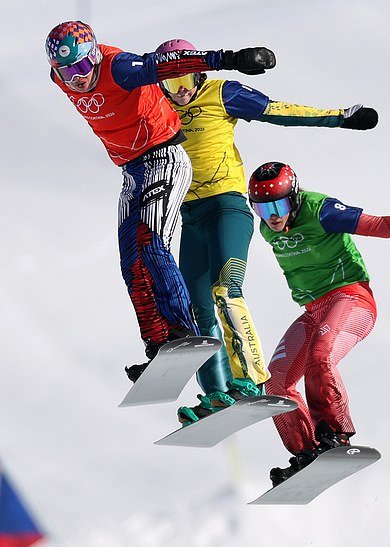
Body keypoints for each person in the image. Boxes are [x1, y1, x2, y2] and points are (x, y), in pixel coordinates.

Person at [153, 39, 379, 424]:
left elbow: (277, 111)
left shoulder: (220, 94)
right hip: (189, 216)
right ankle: (217, 393)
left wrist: (340, 117)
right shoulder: (157, 105)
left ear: (199, 74)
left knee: (226, 289)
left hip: (226, 207)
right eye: (171, 85)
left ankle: (250, 379)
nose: (181, 91)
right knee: (196, 306)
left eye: (187, 80)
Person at [45, 21, 275, 379]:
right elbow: (67, 73)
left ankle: (183, 331)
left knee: (150, 243)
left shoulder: (118, 68)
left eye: (83, 66)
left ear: (94, 56)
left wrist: (231, 58)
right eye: (67, 72)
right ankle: (158, 342)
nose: (77, 79)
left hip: (164, 157)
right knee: (131, 261)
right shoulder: (60, 78)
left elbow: (167, 64)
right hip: (132, 171)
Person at [248, 161, 390, 485]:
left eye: (279, 206)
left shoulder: (321, 210)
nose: (272, 216)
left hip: (351, 299)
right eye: (261, 208)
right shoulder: (267, 228)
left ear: (294, 197)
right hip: (313, 311)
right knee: (276, 381)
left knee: (320, 357)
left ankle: (336, 435)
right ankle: (307, 453)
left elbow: (378, 225)